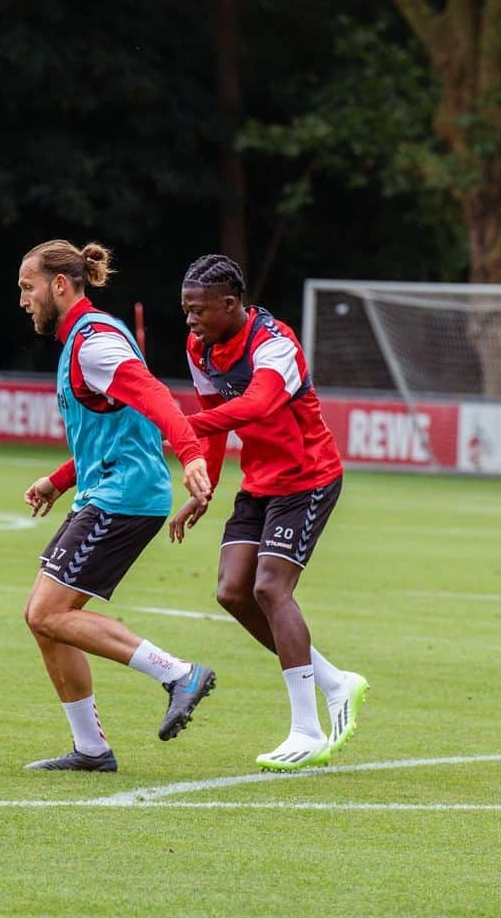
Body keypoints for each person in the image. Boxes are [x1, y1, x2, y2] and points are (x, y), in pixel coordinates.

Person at [18, 239, 216, 772]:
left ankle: (179, 674)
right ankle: (90, 749)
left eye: (28, 287)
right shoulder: (80, 342)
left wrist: (193, 454)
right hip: (108, 489)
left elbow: (155, 398)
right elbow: (114, 432)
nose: (24, 299)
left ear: (60, 285)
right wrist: (59, 480)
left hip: (124, 497)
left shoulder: (94, 343)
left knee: (48, 612)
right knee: (43, 619)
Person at [170, 254, 368, 772]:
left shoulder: (274, 344)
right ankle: (333, 681)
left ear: (231, 304)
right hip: (259, 481)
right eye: (186, 310)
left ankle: (306, 730)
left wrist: (183, 426)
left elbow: (256, 405)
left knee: (270, 588)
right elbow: (213, 416)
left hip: (308, 477)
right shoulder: (201, 348)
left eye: (198, 310)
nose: (190, 320)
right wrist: (202, 482)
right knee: (232, 591)